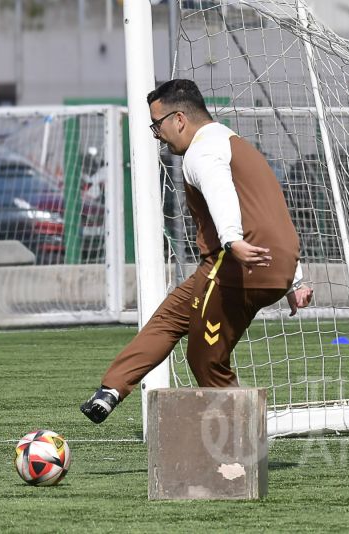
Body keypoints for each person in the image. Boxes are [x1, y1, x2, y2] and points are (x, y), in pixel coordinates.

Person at [81, 79, 313, 423]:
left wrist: (233, 240)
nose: (156, 134)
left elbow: (221, 191)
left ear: (178, 119)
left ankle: (241, 438)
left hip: (236, 263)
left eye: (156, 124)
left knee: (205, 359)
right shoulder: (236, 143)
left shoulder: (201, 152)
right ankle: (111, 389)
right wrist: (295, 279)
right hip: (269, 264)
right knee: (171, 316)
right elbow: (270, 212)